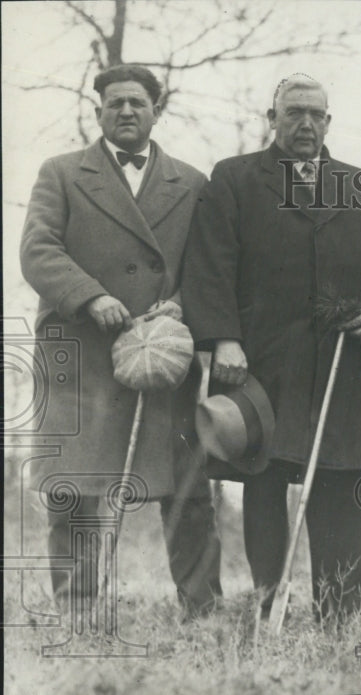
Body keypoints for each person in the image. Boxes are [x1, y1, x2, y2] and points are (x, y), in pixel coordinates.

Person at [182, 74, 361, 624]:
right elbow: (210, 264)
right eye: (294, 113)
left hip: (342, 364)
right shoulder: (234, 180)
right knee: (265, 484)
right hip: (261, 361)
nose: (305, 124)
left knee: (341, 481)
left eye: (316, 114)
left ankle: (339, 613)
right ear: (272, 117)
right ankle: (268, 606)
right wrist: (225, 340)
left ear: (328, 123)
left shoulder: (358, 185)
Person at [20, 64, 222, 619]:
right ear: (98, 112)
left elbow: (207, 264)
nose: (126, 111)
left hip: (162, 354)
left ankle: (202, 608)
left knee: (185, 484)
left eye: (137, 102)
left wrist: (179, 304)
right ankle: (78, 608)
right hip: (81, 354)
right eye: (115, 104)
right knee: (76, 486)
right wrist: (90, 296)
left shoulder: (192, 182)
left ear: (157, 110)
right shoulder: (61, 173)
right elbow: (38, 250)